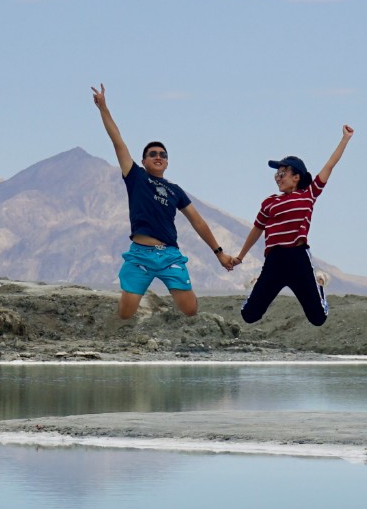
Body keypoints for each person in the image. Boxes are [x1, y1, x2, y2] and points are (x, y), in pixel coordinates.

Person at [92, 84, 233, 319]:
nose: (158, 157)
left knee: (190, 310)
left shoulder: (175, 190)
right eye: (153, 154)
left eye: (163, 155)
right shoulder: (136, 177)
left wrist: (219, 252)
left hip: (169, 255)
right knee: (125, 315)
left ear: (167, 162)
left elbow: (198, 222)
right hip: (140, 255)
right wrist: (103, 108)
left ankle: (164, 305)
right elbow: (118, 141)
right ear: (143, 161)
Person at [226, 125, 353, 327]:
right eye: (276, 174)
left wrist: (344, 139)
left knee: (318, 319)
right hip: (274, 260)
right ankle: (257, 284)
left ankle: (319, 284)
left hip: (298, 258)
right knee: (249, 315)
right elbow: (257, 229)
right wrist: (240, 257)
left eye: (283, 172)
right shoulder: (269, 202)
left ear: (297, 177)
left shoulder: (308, 194)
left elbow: (330, 165)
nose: (278, 177)